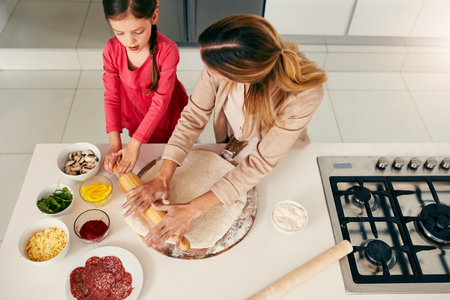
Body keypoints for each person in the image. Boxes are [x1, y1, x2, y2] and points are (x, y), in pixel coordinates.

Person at [122, 14, 327, 249]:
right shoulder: (221, 60)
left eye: (213, 70)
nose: (207, 71)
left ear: (241, 78)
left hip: (276, 155)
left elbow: (260, 163)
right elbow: (193, 116)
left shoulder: (305, 96)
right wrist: (163, 176)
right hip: (235, 140)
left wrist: (193, 209)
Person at [102, 0, 188, 177]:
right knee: (148, 154)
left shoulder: (168, 51)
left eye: (138, 32)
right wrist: (115, 144)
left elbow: (160, 103)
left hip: (167, 116)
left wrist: (134, 144)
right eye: (119, 33)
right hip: (136, 114)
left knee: (171, 156)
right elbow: (112, 97)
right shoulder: (112, 50)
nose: (129, 41)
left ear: (154, 16)